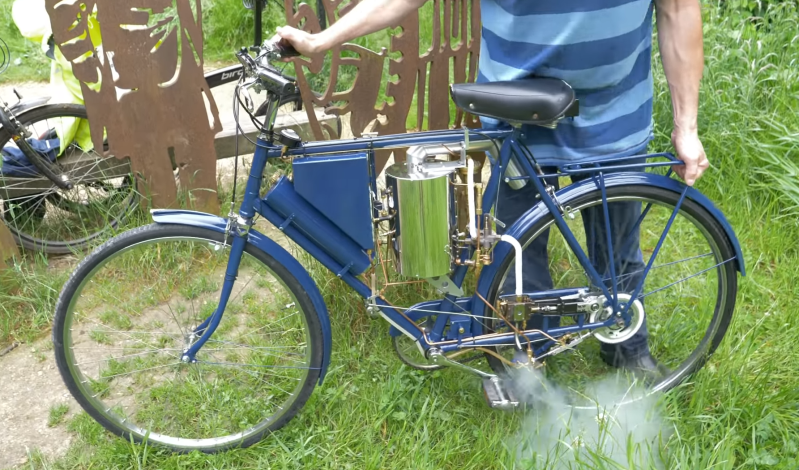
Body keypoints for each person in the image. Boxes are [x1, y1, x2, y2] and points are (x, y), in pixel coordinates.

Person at [275, 0, 710, 376]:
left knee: (617, 248)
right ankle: (529, 355)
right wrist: (322, 40)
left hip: (617, 112)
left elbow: (677, 9)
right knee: (518, 254)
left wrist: (686, 127)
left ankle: (627, 349)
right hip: (517, 111)